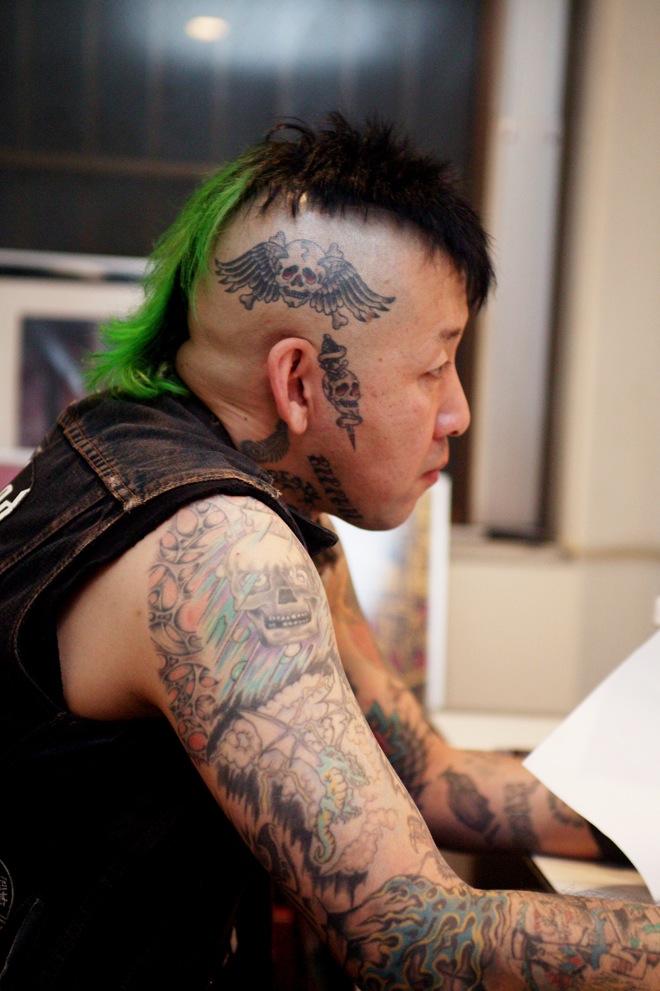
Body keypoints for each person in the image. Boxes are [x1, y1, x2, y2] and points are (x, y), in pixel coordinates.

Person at [0, 113, 657, 990]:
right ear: (299, 381)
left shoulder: (154, 440)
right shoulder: (219, 548)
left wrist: (642, 818)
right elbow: (411, 937)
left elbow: (423, 772)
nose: (457, 412)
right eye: (435, 367)